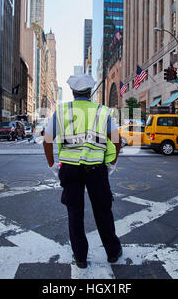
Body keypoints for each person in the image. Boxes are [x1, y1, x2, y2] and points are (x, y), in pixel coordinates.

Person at [43, 74, 122, 269]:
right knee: (103, 211)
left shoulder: (61, 111)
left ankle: (80, 257)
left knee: (75, 213)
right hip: (96, 170)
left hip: (69, 170)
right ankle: (112, 252)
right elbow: (117, 141)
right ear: (90, 92)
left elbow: (47, 139)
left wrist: (52, 164)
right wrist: (111, 163)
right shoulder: (102, 112)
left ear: (72, 92)